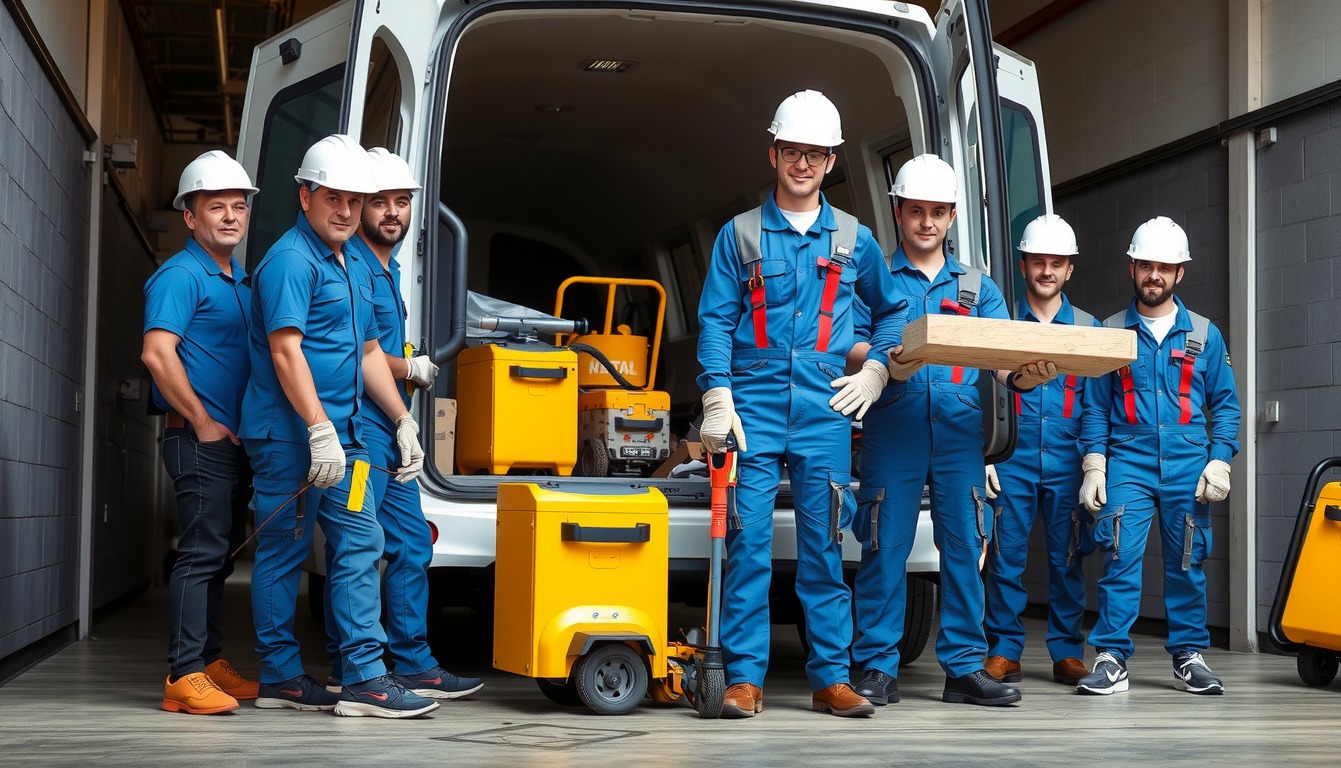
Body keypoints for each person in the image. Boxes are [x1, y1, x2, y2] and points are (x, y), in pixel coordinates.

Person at [696, 90, 908, 718]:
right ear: (774, 154)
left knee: (822, 549)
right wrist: (716, 393)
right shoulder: (737, 236)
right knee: (749, 546)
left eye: (816, 155)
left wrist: (874, 370)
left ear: (831, 160)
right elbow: (713, 321)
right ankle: (744, 680)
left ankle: (830, 679)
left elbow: (893, 311)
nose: (804, 164)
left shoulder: (854, 238)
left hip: (825, 411)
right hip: (752, 407)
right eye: (794, 152)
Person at [239, 134, 437, 718]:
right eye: (334, 198)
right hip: (290, 440)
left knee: (359, 541)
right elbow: (285, 353)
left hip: (346, 437)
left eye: (355, 200)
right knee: (283, 552)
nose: (346, 211)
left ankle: (364, 678)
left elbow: (371, 351)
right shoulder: (289, 262)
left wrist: (402, 421)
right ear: (306, 197)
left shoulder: (350, 261)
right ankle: (280, 675)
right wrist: (319, 428)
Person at [849, 154, 1056, 708]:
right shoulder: (874, 278)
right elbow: (846, 339)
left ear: (952, 216)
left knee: (965, 549)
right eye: (916, 211)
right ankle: (875, 666)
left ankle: (964, 668)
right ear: (898, 212)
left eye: (938, 212)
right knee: (884, 546)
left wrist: (1027, 377)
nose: (927, 223)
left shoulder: (976, 286)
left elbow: (1005, 360)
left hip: (961, 436)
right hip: (894, 430)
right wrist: (882, 361)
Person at [339, 146, 483, 700]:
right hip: (363, 428)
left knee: (410, 545)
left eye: (402, 202)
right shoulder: (351, 265)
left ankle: (414, 662)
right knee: (360, 547)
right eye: (380, 203)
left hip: (393, 428)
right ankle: (355, 669)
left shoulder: (388, 266)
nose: (392, 214)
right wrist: (409, 366)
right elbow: (357, 351)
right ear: (358, 206)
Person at [1075, 216, 1241, 696]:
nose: (1154, 275)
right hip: (1128, 459)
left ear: (1179, 273)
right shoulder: (1111, 333)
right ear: (1132, 268)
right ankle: (1111, 658)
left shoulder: (1205, 335)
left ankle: (1189, 655)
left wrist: (1220, 459)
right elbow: (1095, 408)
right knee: (1119, 555)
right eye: (1146, 265)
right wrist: (1094, 465)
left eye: (1164, 267)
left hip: (1189, 464)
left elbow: (1226, 406)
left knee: (1188, 559)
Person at [142, 151, 261, 714]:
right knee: (198, 554)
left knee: (218, 555)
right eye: (218, 207)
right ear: (191, 217)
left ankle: (209, 663)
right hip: (198, 441)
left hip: (231, 444)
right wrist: (205, 422)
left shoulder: (239, 278)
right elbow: (156, 354)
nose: (232, 217)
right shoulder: (180, 275)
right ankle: (182, 675)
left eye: (239, 207)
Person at [981, 213, 1098, 688]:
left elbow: (1097, 404)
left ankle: (1067, 651)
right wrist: (983, 455)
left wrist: (1094, 463)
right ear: (1023, 265)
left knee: (1069, 558)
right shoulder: (1002, 322)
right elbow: (981, 397)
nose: (1046, 271)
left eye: (1057, 263)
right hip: (1013, 457)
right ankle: (1004, 650)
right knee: (1006, 557)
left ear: (1070, 268)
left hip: (1069, 462)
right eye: (1038, 262)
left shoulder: (1088, 328)